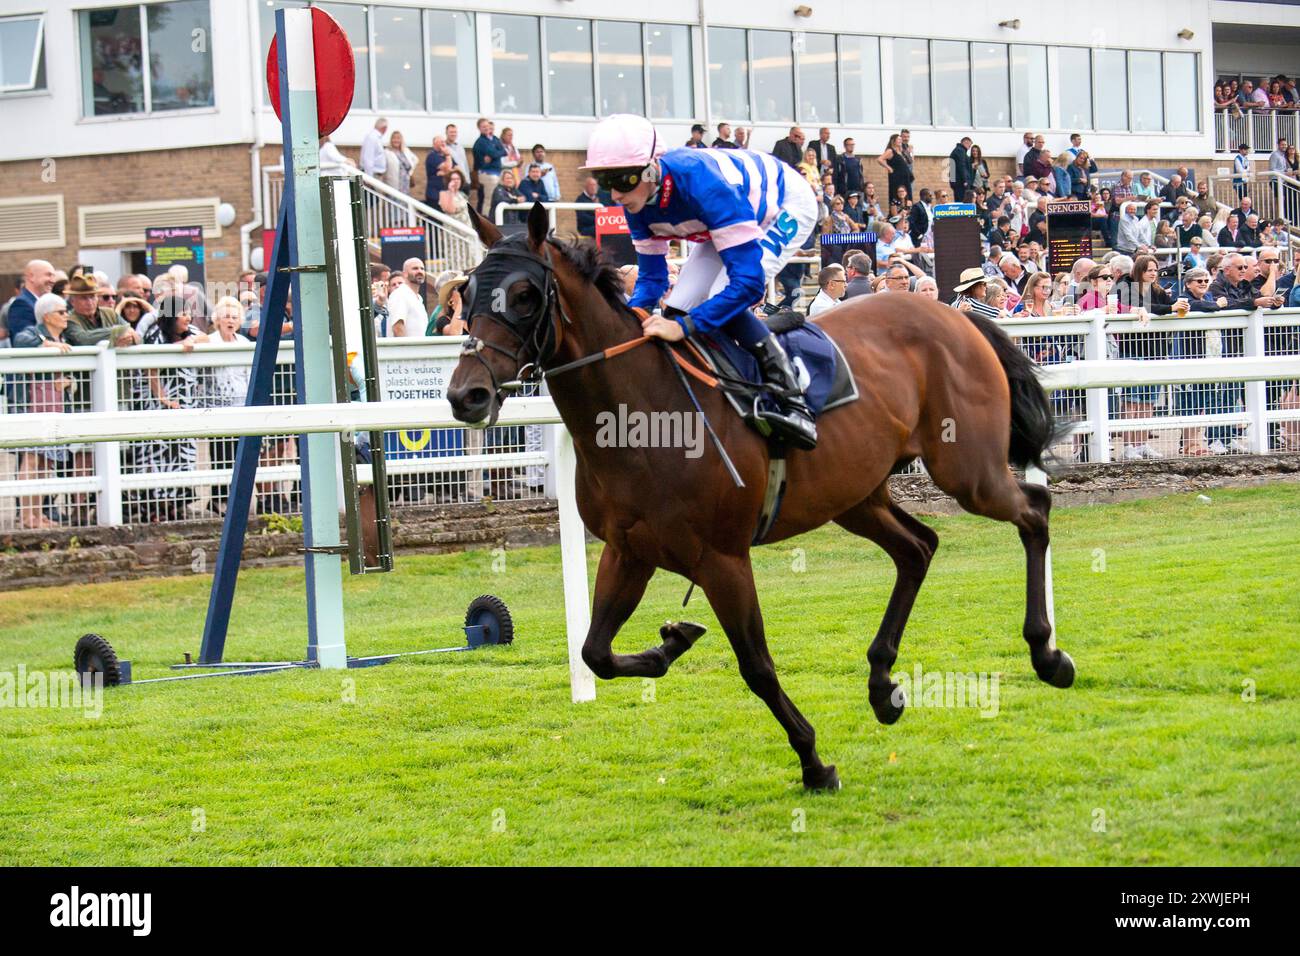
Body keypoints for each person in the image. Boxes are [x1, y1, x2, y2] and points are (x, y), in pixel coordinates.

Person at [583, 114, 821, 448]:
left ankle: (794, 401)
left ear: (652, 169)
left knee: (721, 295)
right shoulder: (637, 203)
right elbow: (652, 279)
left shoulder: (701, 183)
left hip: (783, 204)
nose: (615, 195)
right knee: (677, 306)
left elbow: (749, 284)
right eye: (605, 181)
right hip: (725, 216)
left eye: (622, 180)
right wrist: (628, 324)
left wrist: (685, 329)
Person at [12, 293, 75, 528]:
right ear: (47, 316)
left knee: (45, 463)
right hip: (33, 404)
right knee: (31, 459)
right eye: (61, 312)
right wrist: (46, 344)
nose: (66, 315)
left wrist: (69, 382)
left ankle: (38, 514)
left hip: (55, 406)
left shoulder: (67, 336)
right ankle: (28, 516)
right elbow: (19, 340)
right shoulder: (34, 332)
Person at [472, 117, 507, 215]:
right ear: (479, 128)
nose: (486, 128)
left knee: (498, 197)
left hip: (497, 172)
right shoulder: (480, 142)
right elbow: (493, 153)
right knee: (489, 199)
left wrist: (495, 153)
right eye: (483, 126)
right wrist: (495, 153)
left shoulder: (494, 139)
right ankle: (486, 219)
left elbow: (504, 152)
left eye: (487, 126)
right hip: (487, 174)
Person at [386, 257, 429, 338]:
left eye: (422, 269)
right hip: (407, 350)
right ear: (405, 274)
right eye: (415, 268)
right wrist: (406, 350)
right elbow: (397, 327)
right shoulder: (400, 294)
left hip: (420, 349)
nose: (420, 271)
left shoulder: (418, 298)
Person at [380, 129, 417, 195]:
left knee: (404, 203)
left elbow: (415, 160)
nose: (396, 140)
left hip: (405, 185)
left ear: (401, 140)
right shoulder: (387, 152)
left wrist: (410, 173)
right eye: (394, 138)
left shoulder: (405, 151)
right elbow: (382, 166)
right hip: (393, 184)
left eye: (398, 138)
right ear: (391, 140)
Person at [878, 133, 912, 202]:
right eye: (898, 139)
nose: (900, 141)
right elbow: (879, 159)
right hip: (897, 178)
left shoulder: (900, 151)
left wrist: (910, 152)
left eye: (901, 139)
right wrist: (889, 168)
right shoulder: (890, 151)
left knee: (907, 196)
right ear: (893, 141)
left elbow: (910, 161)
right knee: (897, 195)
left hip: (905, 178)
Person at [947, 137, 973, 202]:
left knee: (959, 200)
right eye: (969, 146)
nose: (969, 148)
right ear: (965, 142)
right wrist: (965, 180)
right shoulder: (960, 151)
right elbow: (961, 166)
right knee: (962, 200)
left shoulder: (957, 150)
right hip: (960, 182)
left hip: (957, 181)